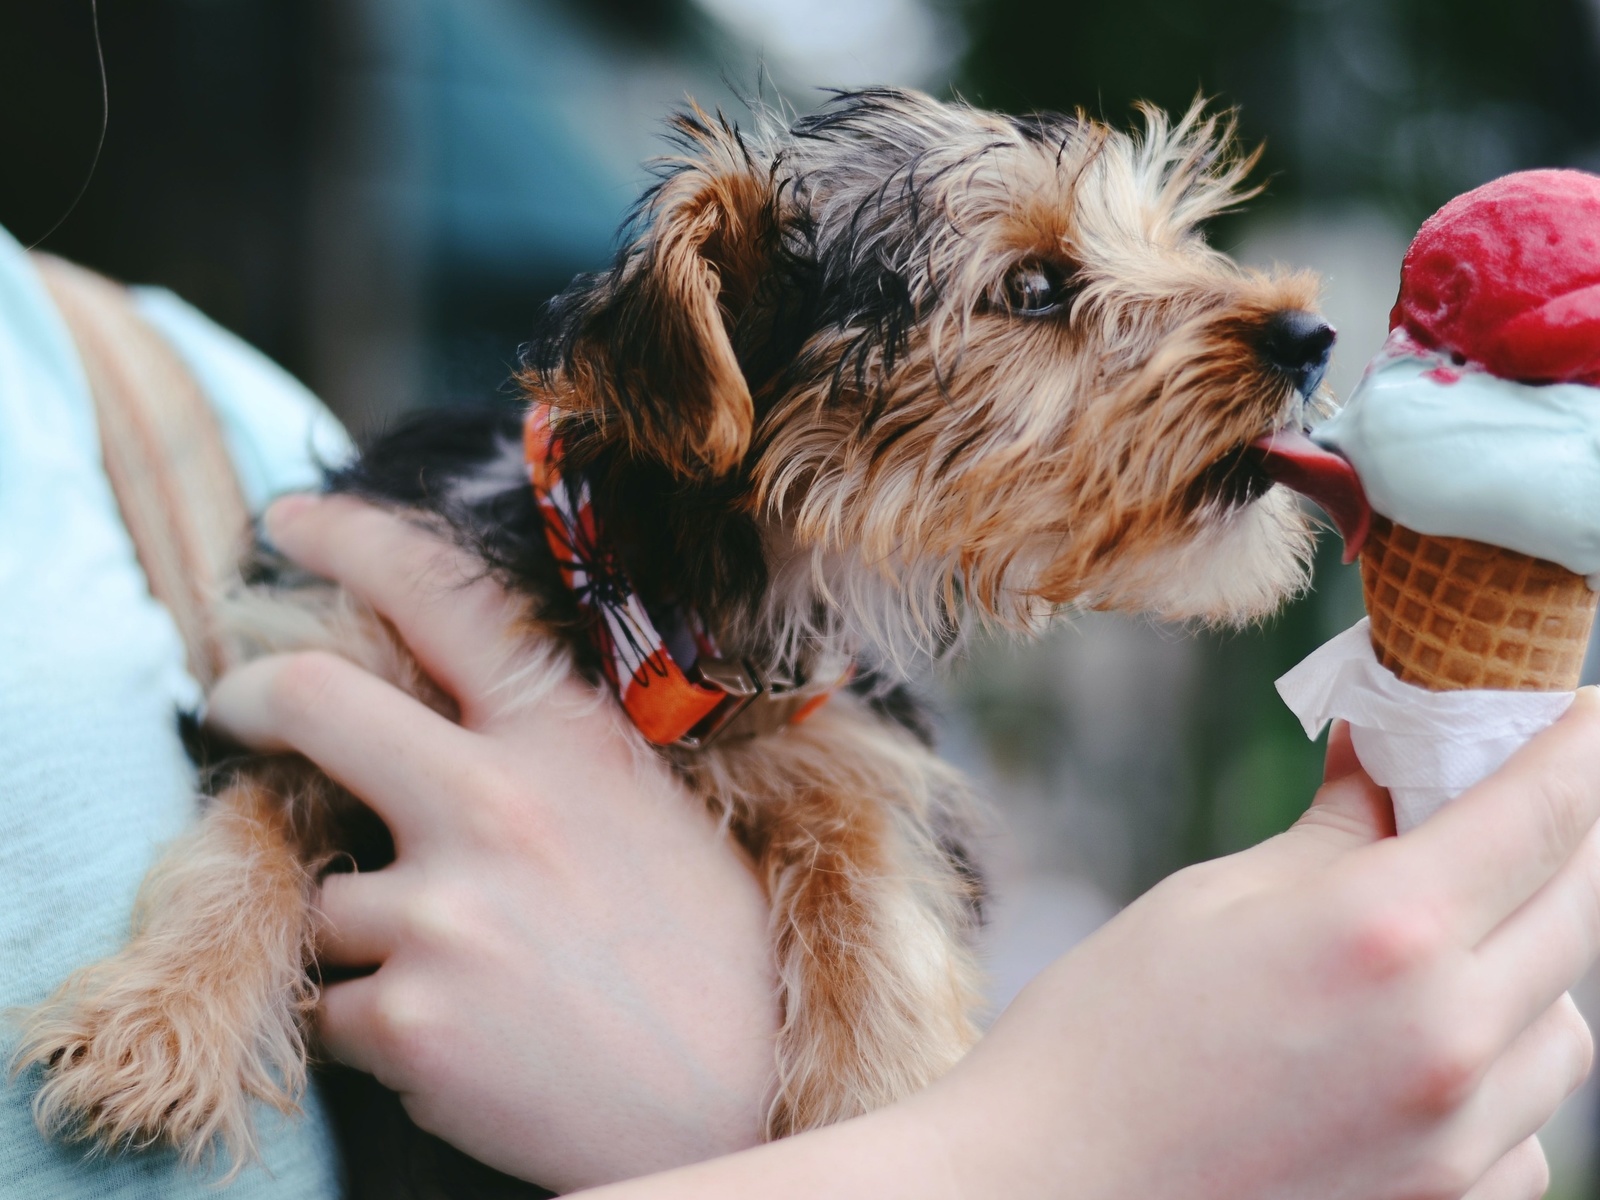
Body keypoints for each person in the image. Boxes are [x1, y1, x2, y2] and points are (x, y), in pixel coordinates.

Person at [3, 218, 1596, 1198]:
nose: (1281, 319)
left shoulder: (181, 406)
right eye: (1040, 290)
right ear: (728, 369)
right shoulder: (375, 532)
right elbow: (282, 776)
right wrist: (1053, 1158)